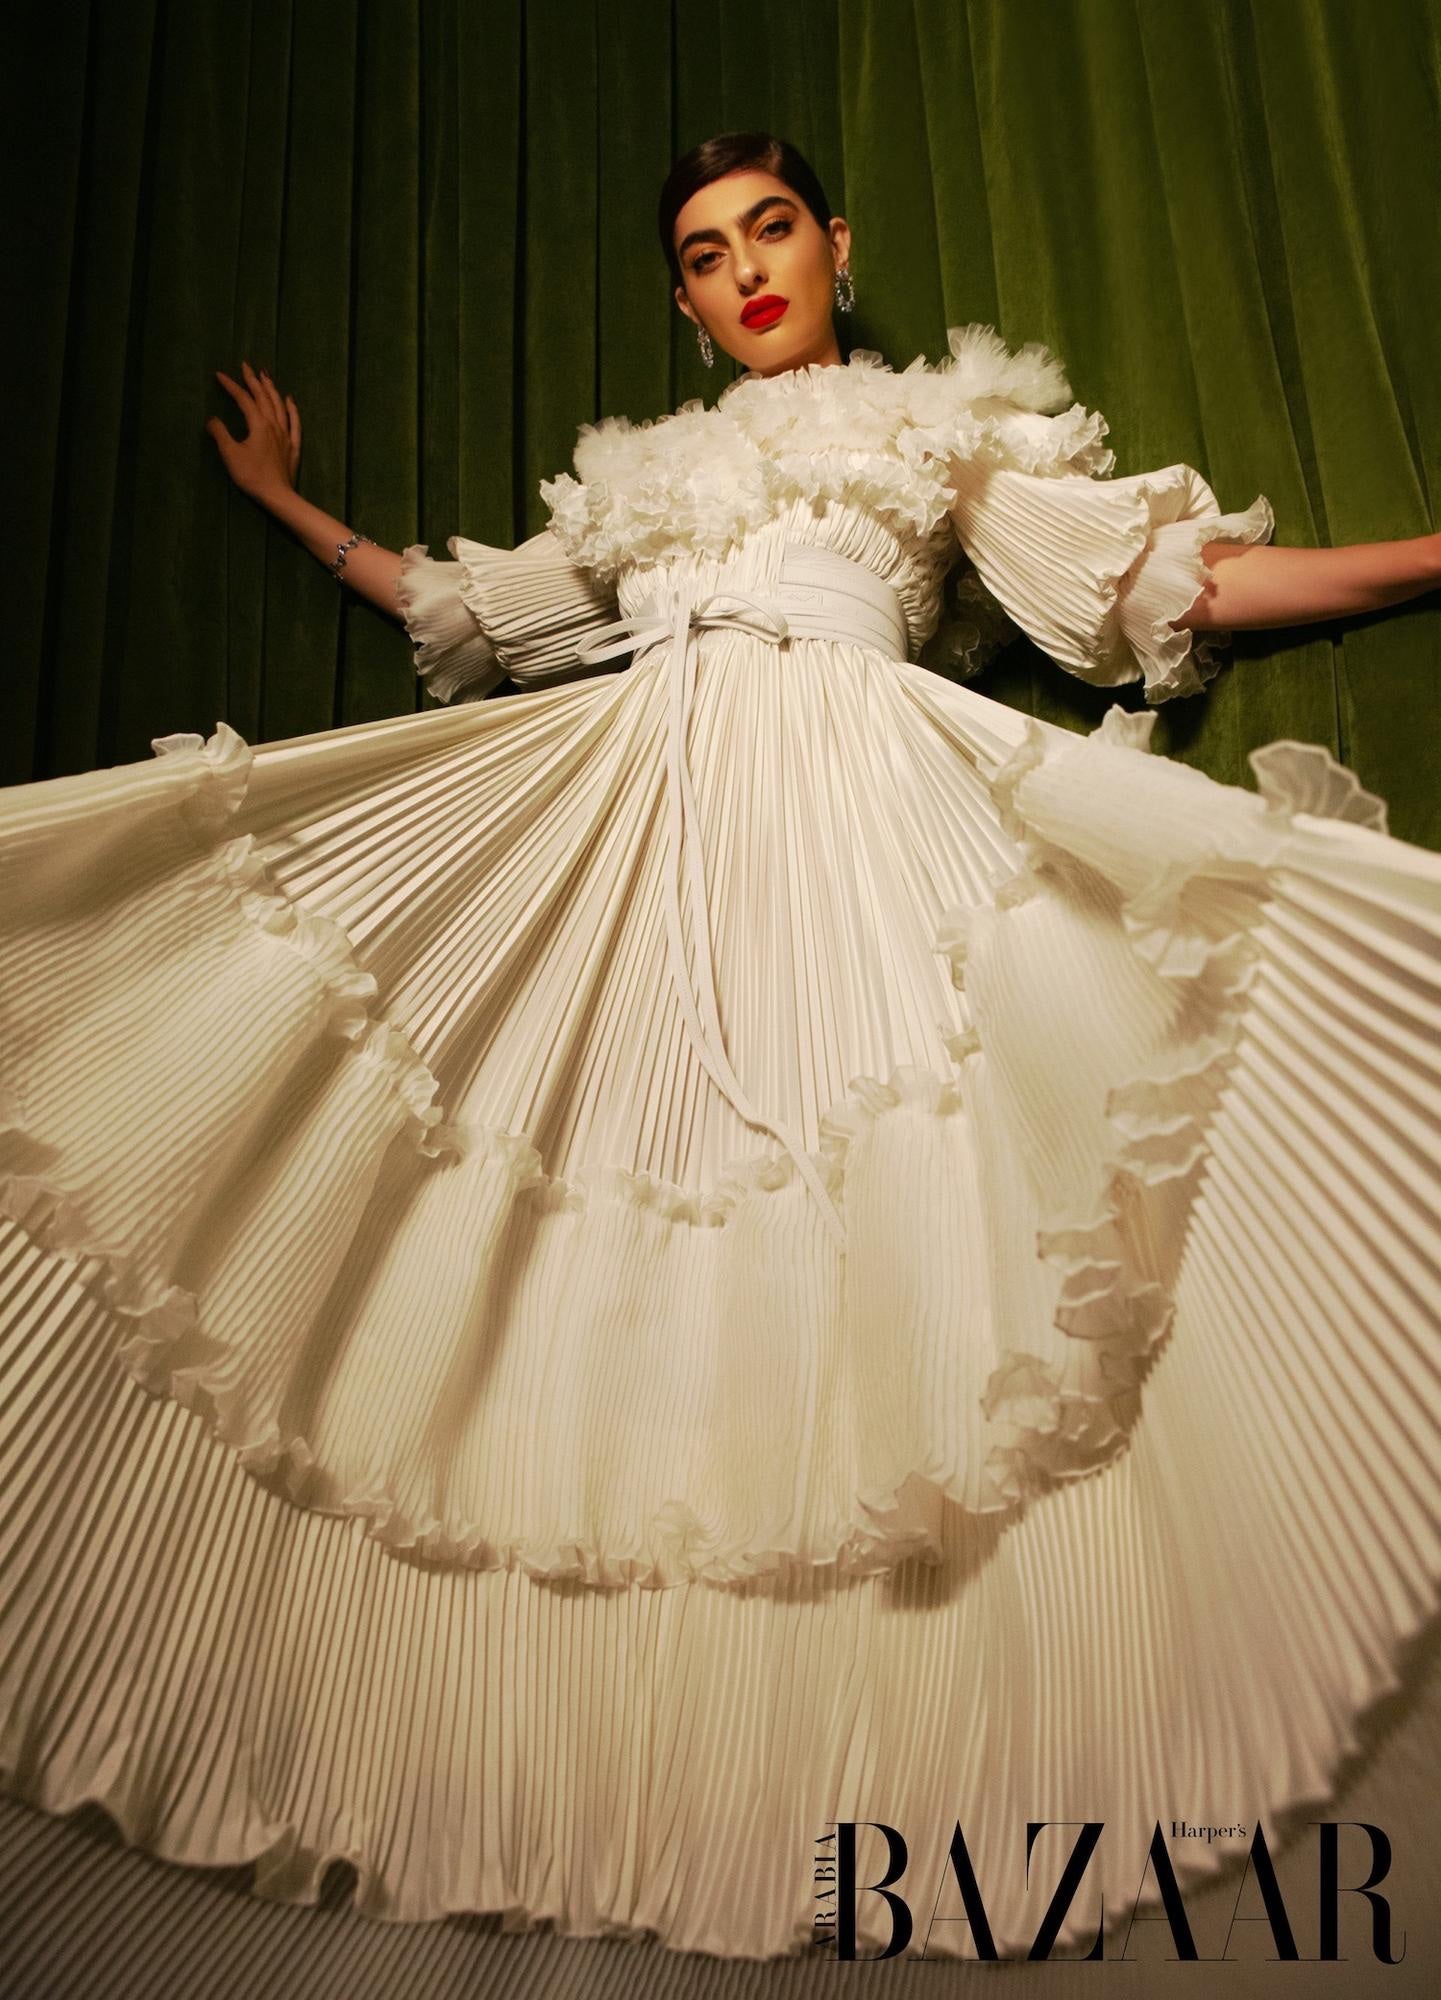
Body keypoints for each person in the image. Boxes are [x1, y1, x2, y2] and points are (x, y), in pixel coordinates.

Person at [1, 128, 1438, 1965]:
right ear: (681, 299)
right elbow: (476, 613)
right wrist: (294, 507)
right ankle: (613, 1740)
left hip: (853, 800)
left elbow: (1172, 590)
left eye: (771, 229)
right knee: (597, 1225)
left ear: (834, 242)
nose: (746, 266)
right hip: (637, 813)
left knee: (911, 1193)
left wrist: (1424, 553)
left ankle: (922, 1717)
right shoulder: (643, 482)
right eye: (704, 251)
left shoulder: (933, 428)